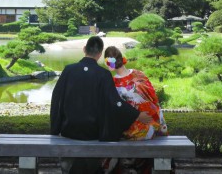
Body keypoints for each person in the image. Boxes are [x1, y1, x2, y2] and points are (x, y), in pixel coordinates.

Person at [50, 36, 152, 174]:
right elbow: (115, 102)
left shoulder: (68, 70)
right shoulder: (103, 74)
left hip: (69, 130)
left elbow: (56, 99)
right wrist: (137, 115)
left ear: (84, 49)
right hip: (93, 132)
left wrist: (55, 129)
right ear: (99, 54)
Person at [101, 46, 169, 174]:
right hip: (151, 126)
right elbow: (154, 99)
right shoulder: (139, 74)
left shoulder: (113, 83)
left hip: (130, 131)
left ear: (108, 63)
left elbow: (115, 111)